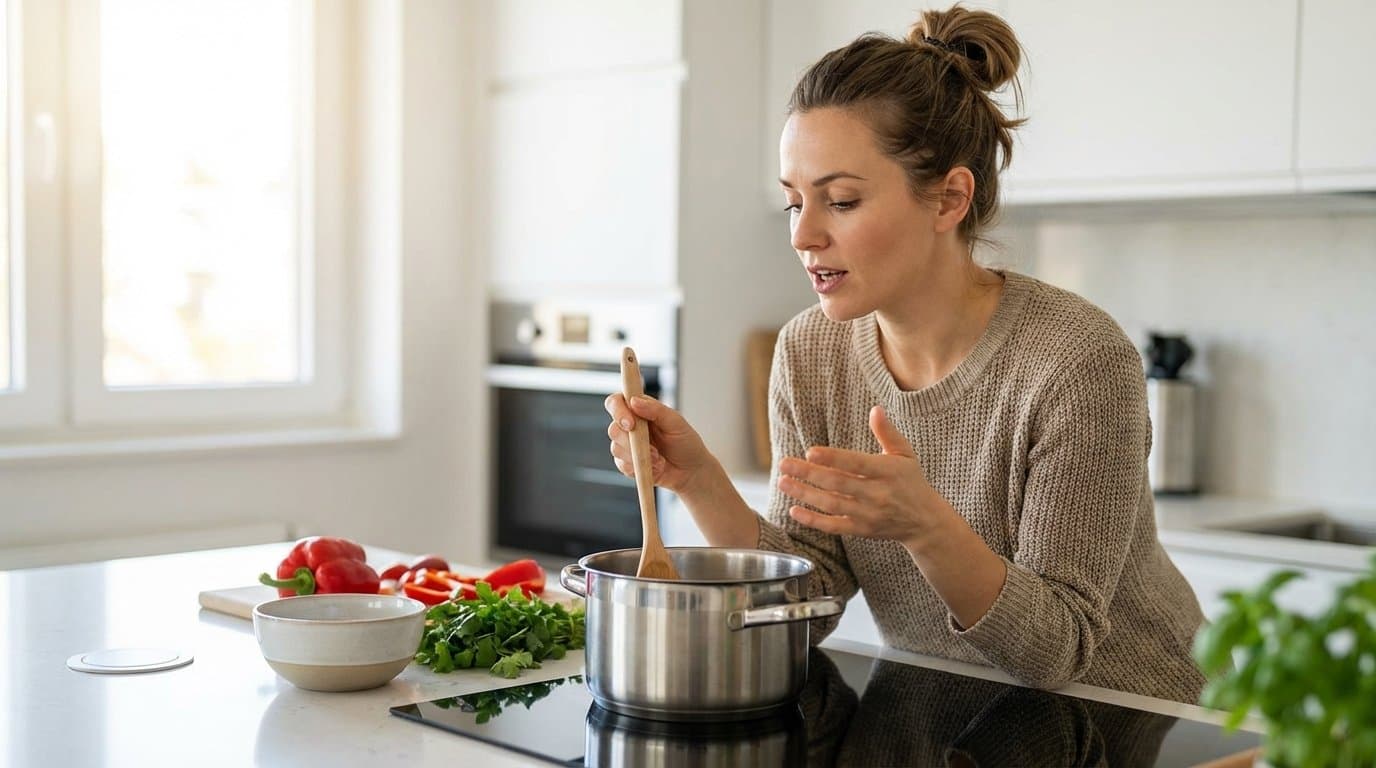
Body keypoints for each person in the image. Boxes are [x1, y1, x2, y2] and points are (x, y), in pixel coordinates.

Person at [604, 4, 1206, 703]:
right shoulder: (810, 352)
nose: (804, 236)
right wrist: (700, 481)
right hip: (949, 713)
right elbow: (812, 600)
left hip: (1135, 719)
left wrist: (926, 525)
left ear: (950, 197)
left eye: (842, 201)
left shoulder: (1077, 358)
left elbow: (1058, 650)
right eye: (795, 202)